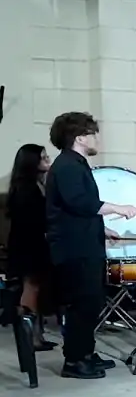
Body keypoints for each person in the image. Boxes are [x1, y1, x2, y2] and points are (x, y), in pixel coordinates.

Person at [45, 112, 136, 379]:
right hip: (74, 249)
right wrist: (119, 209)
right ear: (80, 137)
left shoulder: (75, 163)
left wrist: (103, 229)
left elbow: (76, 210)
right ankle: (74, 361)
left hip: (84, 244)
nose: (98, 138)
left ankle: (86, 352)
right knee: (81, 304)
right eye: (93, 133)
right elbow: (80, 203)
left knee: (91, 302)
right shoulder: (67, 166)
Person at [6, 144, 56, 350]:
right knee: (30, 289)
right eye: (43, 158)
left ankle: (36, 335)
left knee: (35, 288)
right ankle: (30, 338)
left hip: (33, 243)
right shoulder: (26, 188)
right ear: (31, 162)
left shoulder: (35, 184)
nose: (48, 160)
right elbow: (33, 220)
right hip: (28, 245)